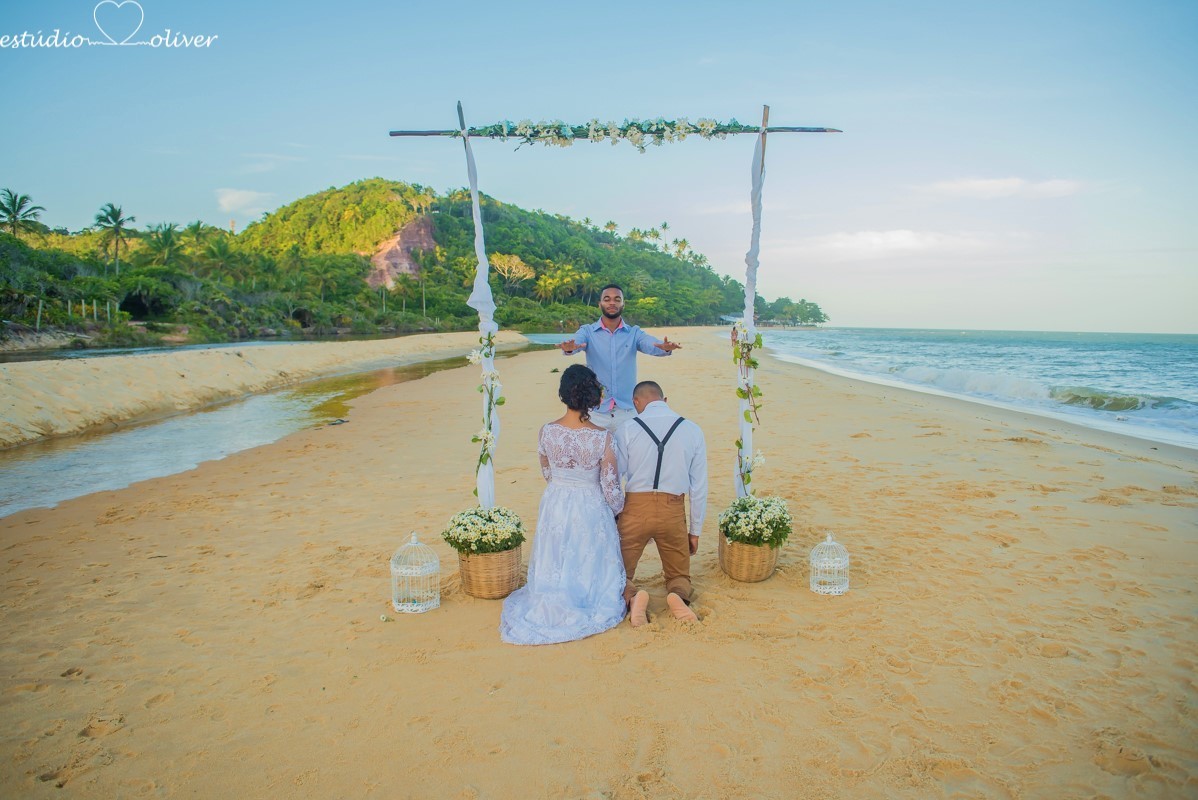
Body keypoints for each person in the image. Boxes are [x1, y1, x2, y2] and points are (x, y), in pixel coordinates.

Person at [499, 364, 628, 645]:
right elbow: (610, 486)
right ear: (592, 396)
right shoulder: (603, 437)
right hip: (589, 500)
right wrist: (617, 510)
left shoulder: (547, 431)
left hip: (556, 499)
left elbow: (546, 471)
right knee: (586, 551)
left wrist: (562, 487)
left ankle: (553, 591)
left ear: (563, 395)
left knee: (556, 550)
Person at [614, 380, 708, 626]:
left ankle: (634, 598)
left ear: (636, 403)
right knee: (679, 575)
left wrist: (615, 515)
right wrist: (695, 531)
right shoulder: (692, 429)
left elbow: (615, 479)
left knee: (617, 574)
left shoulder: (626, 429)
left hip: (635, 510)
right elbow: (699, 487)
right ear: (664, 401)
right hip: (672, 510)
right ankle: (677, 597)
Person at [556, 284, 682, 431]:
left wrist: (664, 347)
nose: (612, 303)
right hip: (596, 411)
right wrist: (570, 348)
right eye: (607, 299)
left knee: (630, 453)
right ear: (600, 304)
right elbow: (577, 341)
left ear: (623, 303)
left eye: (617, 299)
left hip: (627, 411)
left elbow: (650, 343)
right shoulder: (588, 331)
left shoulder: (634, 333)